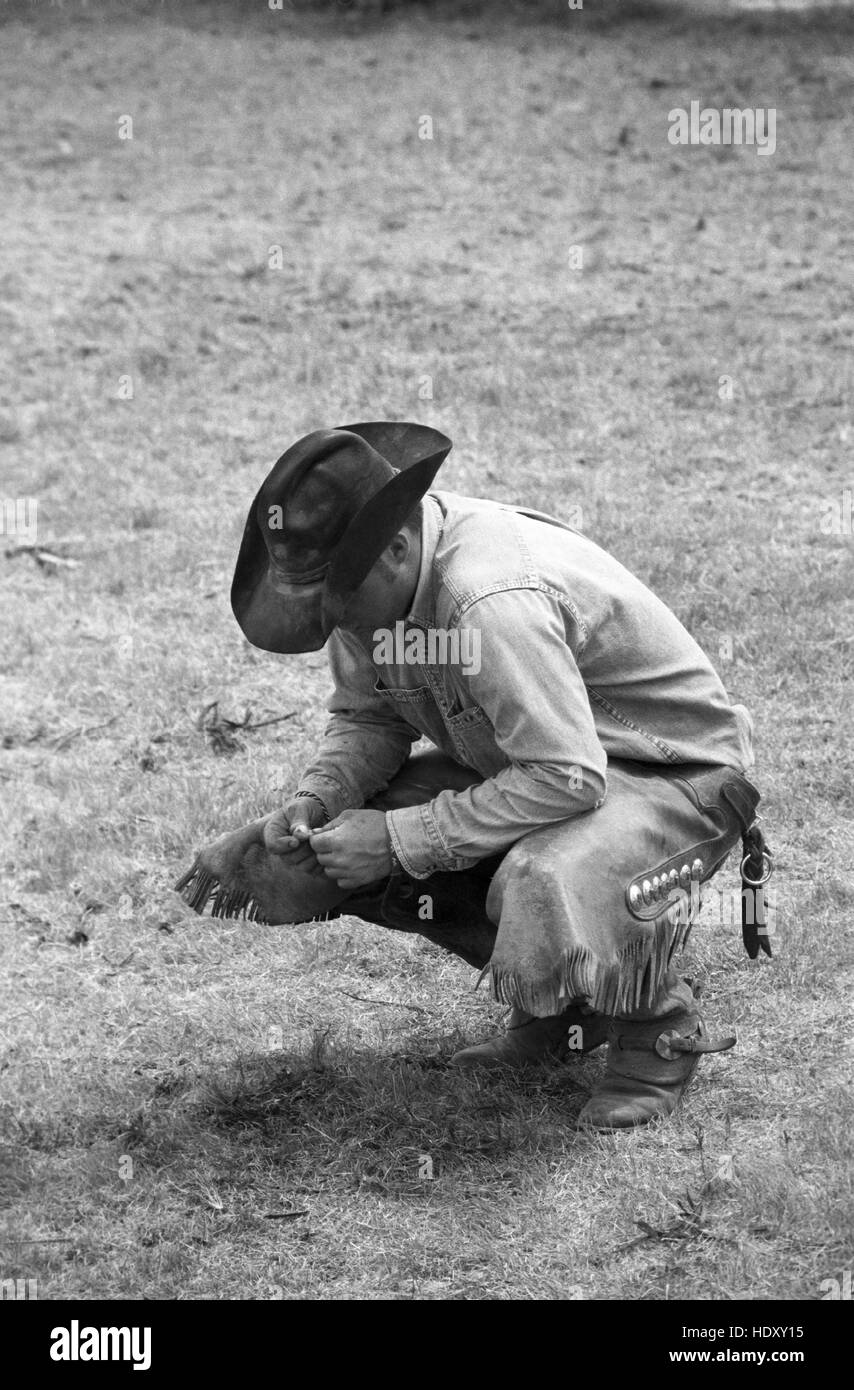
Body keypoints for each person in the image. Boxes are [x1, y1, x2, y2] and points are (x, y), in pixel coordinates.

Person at [177, 421, 771, 1130]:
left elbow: (567, 778)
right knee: (333, 849)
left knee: (542, 874)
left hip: (673, 776)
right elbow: (372, 718)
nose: (331, 624)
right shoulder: (372, 584)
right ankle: (568, 1002)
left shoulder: (487, 601)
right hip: (539, 762)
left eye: (335, 602)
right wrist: (321, 796)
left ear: (396, 550)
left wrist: (401, 836)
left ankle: (658, 1029)